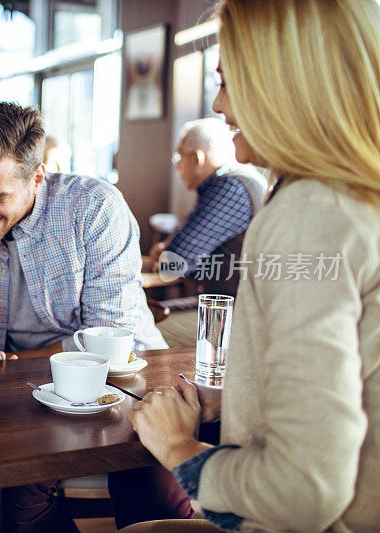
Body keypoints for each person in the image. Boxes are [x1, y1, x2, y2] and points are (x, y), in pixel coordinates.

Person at [123, 1, 380, 531]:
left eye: (229, 81)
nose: (219, 104)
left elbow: (304, 489)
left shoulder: (311, 213)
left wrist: (177, 447)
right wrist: (239, 397)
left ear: (288, 86)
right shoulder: (349, 200)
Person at [0, 101, 167, 532]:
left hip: (124, 383)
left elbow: (108, 341)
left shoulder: (94, 210)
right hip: (18, 397)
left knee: (154, 478)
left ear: (38, 177)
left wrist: (11, 363)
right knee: (10, 492)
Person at [149, 118, 266, 296]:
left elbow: (173, 264)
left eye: (179, 157)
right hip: (229, 307)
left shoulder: (228, 188)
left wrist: (164, 253)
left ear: (197, 158)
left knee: (150, 318)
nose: (178, 167)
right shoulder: (238, 179)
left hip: (231, 314)